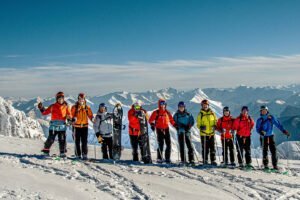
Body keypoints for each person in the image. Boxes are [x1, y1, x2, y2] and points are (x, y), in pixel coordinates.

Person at [256, 105, 290, 170]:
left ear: (267, 111)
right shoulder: (259, 120)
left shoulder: (271, 118)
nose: (263, 112)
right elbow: (257, 128)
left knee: (273, 151)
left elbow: (278, 124)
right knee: (264, 151)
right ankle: (266, 165)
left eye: (265, 110)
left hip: (271, 136)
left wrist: (284, 131)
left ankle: (275, 165)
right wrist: (260, 132)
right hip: (263, 137)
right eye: (262, 110)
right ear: (261, 111)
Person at [38, 91, 71, 157]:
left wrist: (69, 119)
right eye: (59, 98)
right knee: (51, 139)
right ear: (57, 99)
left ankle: (62, 152)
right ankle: (46, 151)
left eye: (62, 98)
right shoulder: (53, 106)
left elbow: (69, 115)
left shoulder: (66, 106)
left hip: (62, 126)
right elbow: (45, 112)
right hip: (53, 126)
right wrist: (41, 108)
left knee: (62, 139)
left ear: (63, 99)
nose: (60, 100)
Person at [149, 99, 176, 163]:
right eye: (161, 104)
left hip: (166, 129)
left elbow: (171, 120)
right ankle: (159, 158)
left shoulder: (167, 112)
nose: (163, 105)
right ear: (159, 105)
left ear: (165, 104)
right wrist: (152, 124)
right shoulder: (156, 112)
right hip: (159, 129)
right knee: (161, 144)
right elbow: (150, 120)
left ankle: (167, 158)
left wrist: (175, 125)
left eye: (164, 104)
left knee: (168, 144)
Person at [71, 93, 93, 160]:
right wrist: (72, 119)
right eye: (80, 99)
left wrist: (94, 120)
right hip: (76, 126)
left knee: (84, 141)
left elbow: (90, 116)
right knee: (77, 141)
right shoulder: (74, 107)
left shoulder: (87, 107)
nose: (81, 100)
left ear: (84, 99)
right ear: (78, 99)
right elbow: (70, 115)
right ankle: (78, 155)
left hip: (84, 127)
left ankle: (84, 154)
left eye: (82, 99)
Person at [197, 99, 218, 165]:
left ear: (208, 105)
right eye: (204, 105)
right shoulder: (200, 114)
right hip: (204, 134)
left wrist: (215, 126)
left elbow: (216, 121)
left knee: (212, 148)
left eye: (206, 105)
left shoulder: (212, 113)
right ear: (202, 106)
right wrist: (201, 127)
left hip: (211, 134)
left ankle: (213, 160)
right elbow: (198, 124)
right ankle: (205, 160)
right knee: (205, 148)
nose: (205, 106)